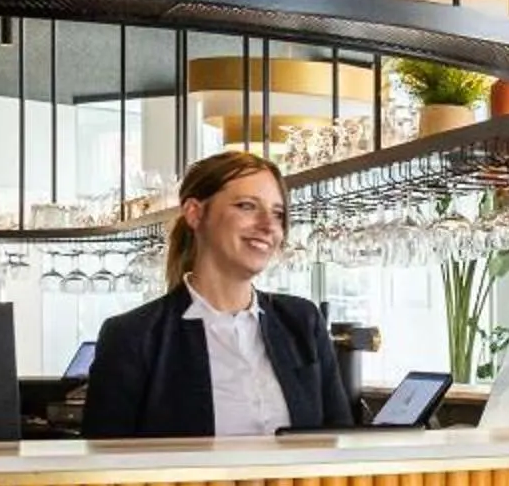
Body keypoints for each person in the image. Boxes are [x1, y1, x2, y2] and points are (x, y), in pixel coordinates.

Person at [81, 151, 354, 439]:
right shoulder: (133, 336)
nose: (268, 226)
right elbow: (103, 458)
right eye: (247, 206)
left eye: (278, 213)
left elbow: (339, 440)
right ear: (195, 213)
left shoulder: (302, 321)